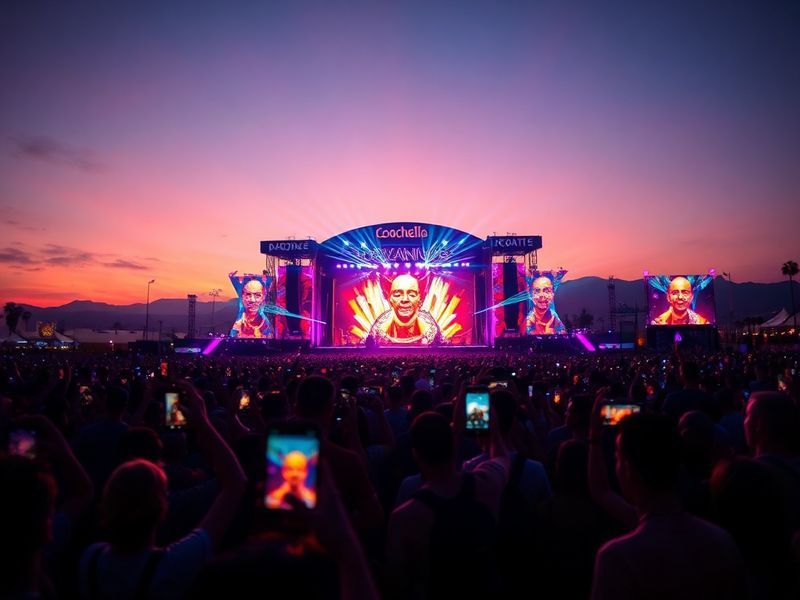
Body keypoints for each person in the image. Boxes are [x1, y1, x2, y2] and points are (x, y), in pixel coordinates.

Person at [590, 413, 745, 600]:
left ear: (627, 469)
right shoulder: (722, 541)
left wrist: (594, 436)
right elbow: (601, 491)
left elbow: (601, 491)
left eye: (617, 458)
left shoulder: (617, 558)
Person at [368, 273, 442, 345]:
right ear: (389, 298)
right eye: (397, 295)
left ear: (420, 299)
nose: (405, 299)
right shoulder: (378, 332)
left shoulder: (431, 332)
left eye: (412, 294)